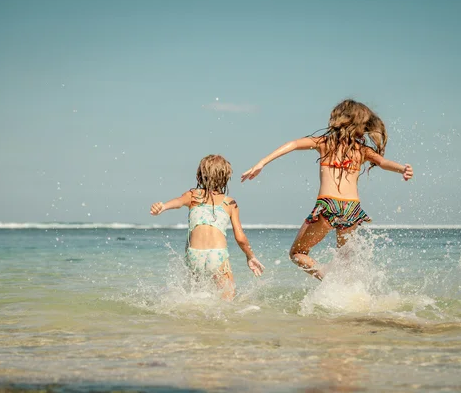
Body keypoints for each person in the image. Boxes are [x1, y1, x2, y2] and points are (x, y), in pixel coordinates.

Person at [241, 99, 413, 281]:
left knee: (298, 253)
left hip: (328, 204)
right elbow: (383, 162)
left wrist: (261, 163)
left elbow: (293, 144)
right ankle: (347, 292)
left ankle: (328, 279)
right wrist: (402, 168)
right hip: (352, 208)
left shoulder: (324, 142)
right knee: (345, 260)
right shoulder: (363, 151)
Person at [150, 154, 265, 300]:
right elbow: (240, 237)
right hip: (218, 256)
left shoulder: (193, 196)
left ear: (200, 175)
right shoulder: (230, 203)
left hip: (194, 255)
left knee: (195, 297)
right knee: (228, 300)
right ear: (226, 177)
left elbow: (178, 202)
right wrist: (250, 256)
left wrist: (163, 206)